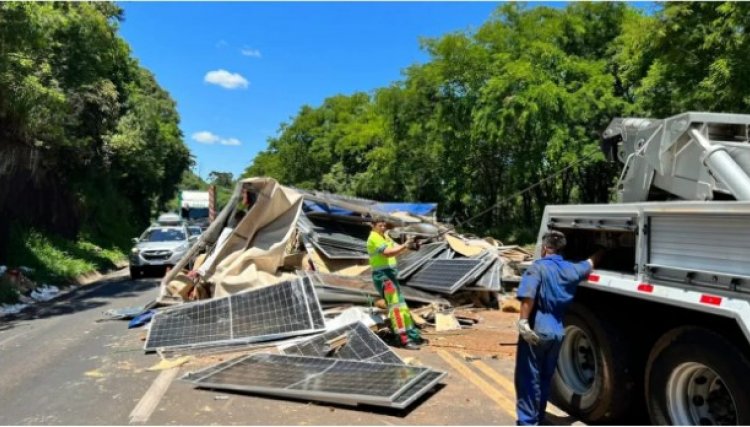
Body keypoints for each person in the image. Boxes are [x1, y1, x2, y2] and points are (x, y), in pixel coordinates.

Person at [514, 230, 604, 426]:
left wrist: (522, 322)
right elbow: (590, 263)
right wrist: (601, 251)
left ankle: (527, 423)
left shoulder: (538, 267)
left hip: (536, 330)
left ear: (545, 248)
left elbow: (529, 294)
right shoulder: (571, 270)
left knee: (529, 379)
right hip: (557, 332)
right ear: (563, 250)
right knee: (545, 378)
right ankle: (538, 417)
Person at [366, 217, 422, 350]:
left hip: (390, 275)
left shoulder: (384, 237)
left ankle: (412, 336)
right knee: (396, 308)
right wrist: (405, 245)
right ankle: (403, 340)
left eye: (384, 226)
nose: (383, 228)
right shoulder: (374, 238)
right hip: (383, 276)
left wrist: (412, 244)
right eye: (380, 226)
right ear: (373, 226)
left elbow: (397, 248)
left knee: (401, 306)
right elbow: (387, 253)